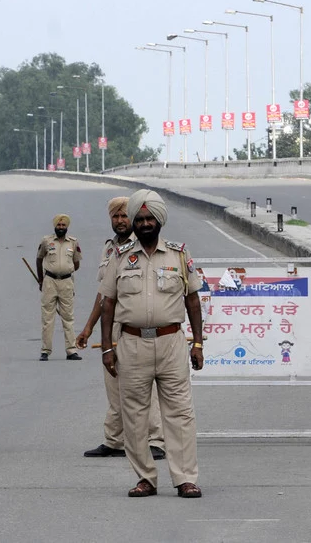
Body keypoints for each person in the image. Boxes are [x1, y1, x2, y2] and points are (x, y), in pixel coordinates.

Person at [99, 189, 204, 498]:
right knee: (134, 414)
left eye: (149, 218)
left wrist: (197, 343)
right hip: (131, 344)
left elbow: (193, 301)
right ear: (134, 222)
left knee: (180, 413)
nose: (144, 223)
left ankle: (185, 478)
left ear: (159, 221)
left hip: (171, 341)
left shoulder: (179, 255)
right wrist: (107, 347)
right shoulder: (119, 257)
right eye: (139, 219)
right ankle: (145, 477)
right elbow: (108, 304)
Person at [76, 196, 166, 461]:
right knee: (113, 382)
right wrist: (88, 327)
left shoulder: (145, 246)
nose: (120, 221)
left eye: (125, 216)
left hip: (136, 323)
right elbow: (104, 293)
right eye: (115, 216)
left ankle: (155, 440)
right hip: (111, 325)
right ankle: (115, 440)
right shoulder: (109, 250)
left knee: (143, 383)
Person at [36, 214, 82, 361]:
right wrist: (41, 280)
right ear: (55, 227)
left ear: (67, 227)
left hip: (66, 283)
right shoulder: (46, 241)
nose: (61, 228)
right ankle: (45, 351)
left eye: (63, 226)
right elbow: (39, 259)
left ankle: (71, 351)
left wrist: (65, 270)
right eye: (58, 225)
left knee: (68, 317)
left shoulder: (73, 243)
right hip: (49, 281)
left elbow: (76, 263)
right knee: (47, 318)